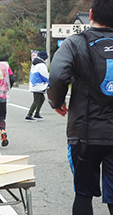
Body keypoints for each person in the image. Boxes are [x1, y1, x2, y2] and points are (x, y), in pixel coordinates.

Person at [47, 0, 113, 214]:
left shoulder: (75, 43)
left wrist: (56, 102)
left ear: (91, 13)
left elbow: (57, 75)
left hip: (84, 133)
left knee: (83, 194)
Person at [25, 51, 49, 122]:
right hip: (38, 85)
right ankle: (29, 115)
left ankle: (37, 113)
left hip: (34, 84)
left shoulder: (35, 64)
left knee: (42, 98)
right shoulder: (41, 65)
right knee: (36, 100)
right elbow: (44, 75)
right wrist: (49, 81)